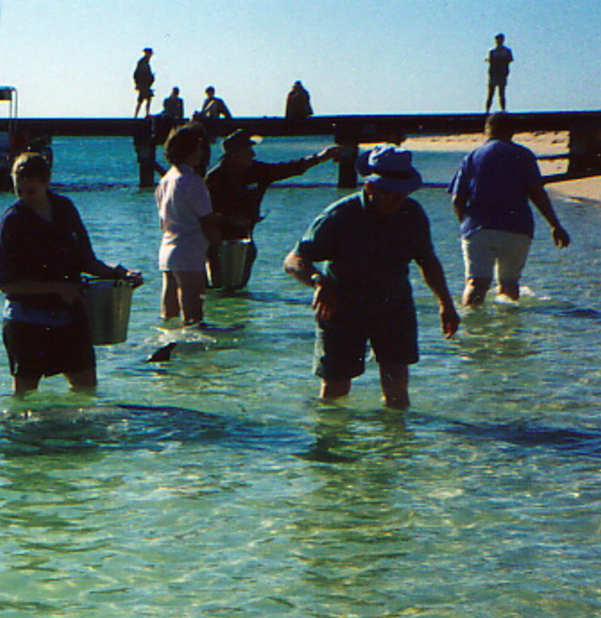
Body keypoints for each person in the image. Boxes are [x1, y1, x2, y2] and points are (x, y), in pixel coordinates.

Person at [283, 146, 460, 410]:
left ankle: (394, 448)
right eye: (388, 194)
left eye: (402, 194)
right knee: (335, 392)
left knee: (397, 393)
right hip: (341, 309)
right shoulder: (339, 216)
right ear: (369, 187)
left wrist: (445, 303)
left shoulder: (412, 214)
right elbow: (293, 260)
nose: (396, 201)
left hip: (394, 307)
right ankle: (331, 445)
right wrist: (317, 281)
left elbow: (427, 260)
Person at [0, 152, 142, 397]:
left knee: (86, 389)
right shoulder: (13, 221)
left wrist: (120, 274)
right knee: (25, 396)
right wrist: (57, 287)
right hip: (26, 321)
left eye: (31, 191)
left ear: (46, 181)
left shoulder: (65, 208)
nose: (25, 198)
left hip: (70, 318)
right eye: (19, 191)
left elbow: (87, 261)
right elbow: (7, 285)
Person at [449, 111, 571, 305]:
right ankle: (508, 330)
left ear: (486, 131)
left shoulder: (472, 157)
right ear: (513, 131)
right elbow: (536, 193)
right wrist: (555, 225)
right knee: (509, 283)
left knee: (475, 283)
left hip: (478, 227)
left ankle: (471, 328)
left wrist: (464, 224)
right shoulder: (523, 155)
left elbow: (457, 199)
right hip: (516, 227)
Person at [204, 128, 339, 287]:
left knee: (238, 288)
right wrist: (229, 219)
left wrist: (320, 158)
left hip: (245, 240)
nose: (253, 155)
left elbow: (289, 168)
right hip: (217, 242)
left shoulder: (257, 171)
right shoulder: (214, 179)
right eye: (248, 150)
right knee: (217, 288)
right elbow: (202, 215)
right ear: (234, 155)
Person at [155, 123, 220, 326]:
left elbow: (163, 221)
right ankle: (194, 350)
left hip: (168, 247)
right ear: (191, 150)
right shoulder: (192, 181)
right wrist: (217, 241)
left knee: (170, 311)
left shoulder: (165, 180)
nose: (201, 153)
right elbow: (206, 219)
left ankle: (169, 346)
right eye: (199, 148)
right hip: (189, 249)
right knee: (193, 312)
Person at [486, 34, 513, 112]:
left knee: (501, 93)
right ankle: (487, 110)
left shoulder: (506, 51)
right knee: (491, 94)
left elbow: (509, 60)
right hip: (493, 74)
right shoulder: (492, 51)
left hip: (502, 74)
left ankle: (503, 110)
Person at [132, 49, 156, 119]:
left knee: (145, 99)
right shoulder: (142, 62)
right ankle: (138, 115)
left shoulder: (146, 63)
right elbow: (137, 74)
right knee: (142, 100)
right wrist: (138, 84)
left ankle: (142, 114)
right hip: (143, 84)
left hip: (146, 85)